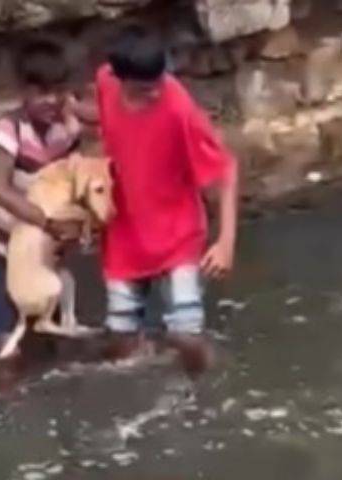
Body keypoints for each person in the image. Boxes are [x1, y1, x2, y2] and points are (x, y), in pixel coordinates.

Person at [95, 26, 239, 375]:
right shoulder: (104, 81)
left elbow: (226, 168)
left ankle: (204, 396)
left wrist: (225, 242)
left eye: (161, 83)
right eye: (146, 90)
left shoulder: (178, 109)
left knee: (186, 336)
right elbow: (105, 121)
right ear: (122, 81)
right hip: (125, 235)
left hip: (178, 235)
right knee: (120, 342)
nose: (157, 94)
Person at [0, 38, 84, 355]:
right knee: (4, 343)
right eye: (41, 92)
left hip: (42, 251)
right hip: (4, 248)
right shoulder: (10, 128)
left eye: (57, 91)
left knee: (45, 334)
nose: (51, 100)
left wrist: (73, 229)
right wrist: (46, 222)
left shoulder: (67, 129)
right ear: (23, 91)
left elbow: (72, 179)